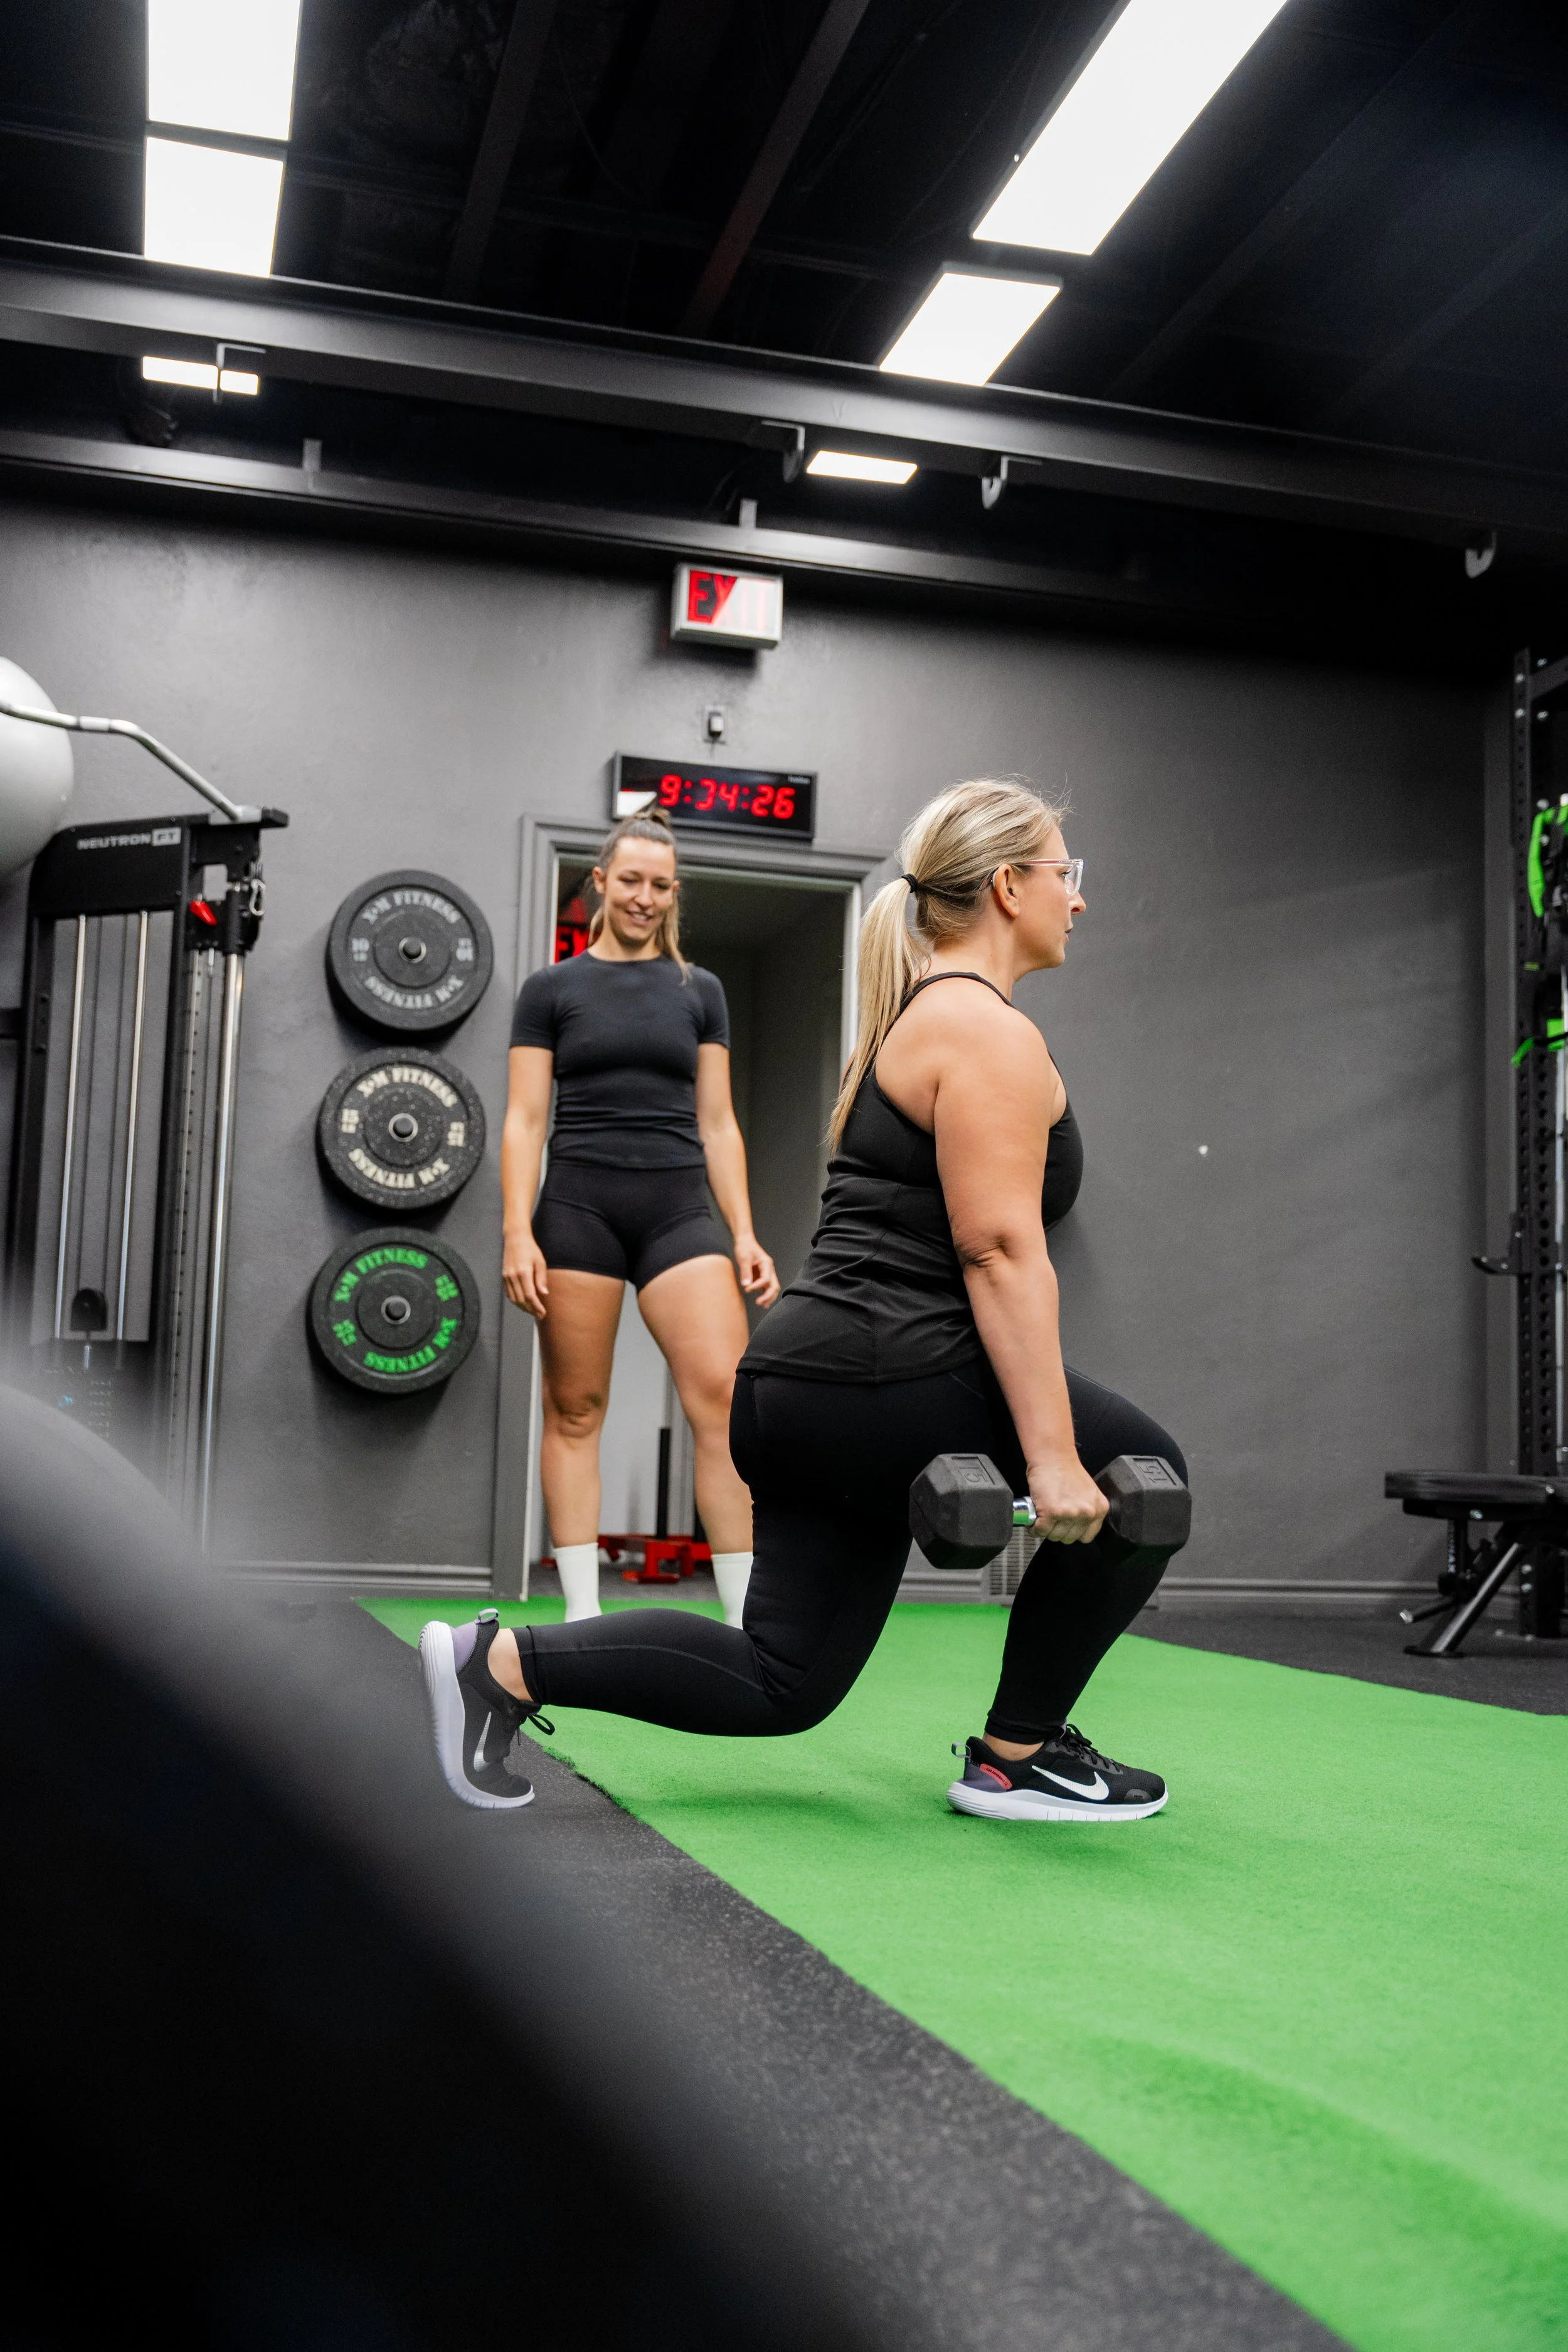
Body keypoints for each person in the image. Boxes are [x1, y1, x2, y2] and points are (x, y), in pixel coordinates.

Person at [423, 778, 1189, 1820]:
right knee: (1146, 1476)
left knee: (782, 1679)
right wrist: (1052, 1459)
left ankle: (501, 1663)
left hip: (804, 1384)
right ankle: (1020, 1753)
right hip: (888, 1369)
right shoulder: (984, 1031)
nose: (1079, 899)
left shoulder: (923, 1018)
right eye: (1067, 874)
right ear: (1010, 886)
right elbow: (1000, 1251)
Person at [498, 806, 779, 1629]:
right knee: (576, 1409)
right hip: (578, 1208)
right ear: (601, 882)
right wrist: (518, 1230)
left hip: (678, 1208)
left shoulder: (701, 991)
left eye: (661, 885)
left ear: (674, 892)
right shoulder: (550, 990)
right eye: (631, 880)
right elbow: (523, 1119)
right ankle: (582, 1616)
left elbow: (718, 1122)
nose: (645, 897)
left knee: (726, 1403)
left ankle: (743, 1620)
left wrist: (746, 1230)